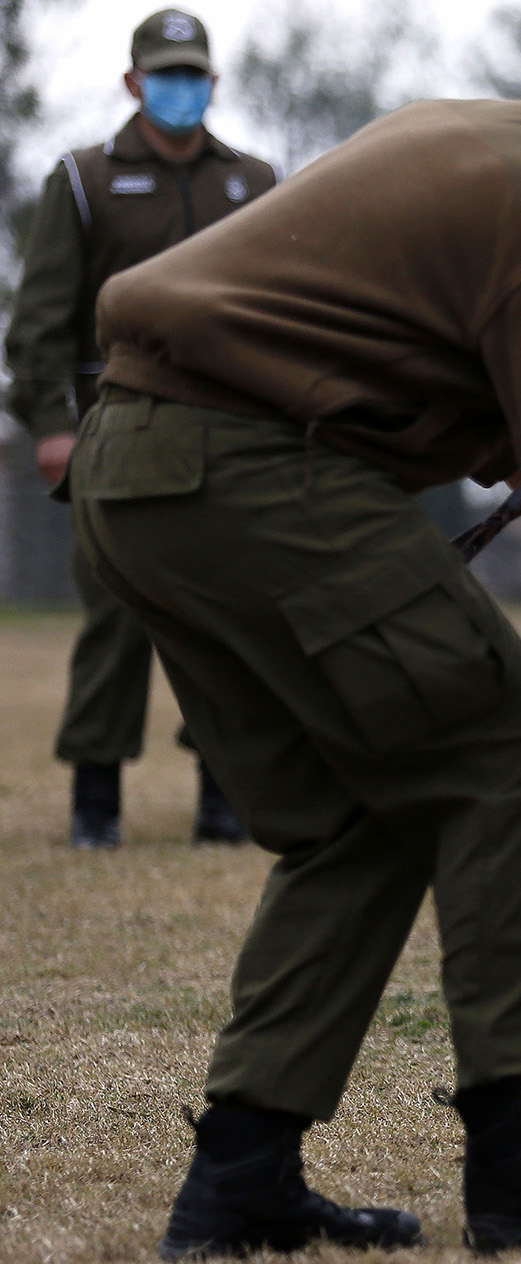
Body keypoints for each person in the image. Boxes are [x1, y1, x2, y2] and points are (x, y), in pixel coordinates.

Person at [69, 19, 521, 1260]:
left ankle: (241, 1176)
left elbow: (372, 334)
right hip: (246, 469)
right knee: (512, 743)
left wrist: (492, 433)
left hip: (136, 466)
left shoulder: (496, 137)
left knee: (363, 807)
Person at [4, 8, 274, 848]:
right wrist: (51, 425)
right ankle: (96, 803)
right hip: (110, 433)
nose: (181, 88)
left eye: (194, 73)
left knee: (230, 617)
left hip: (227, 433)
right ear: (133, 82)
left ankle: (224, 798)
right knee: (116, 617)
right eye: (165, 73)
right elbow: (37, 322)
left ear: (214, 82)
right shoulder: (81, 180)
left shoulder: (255, 182)